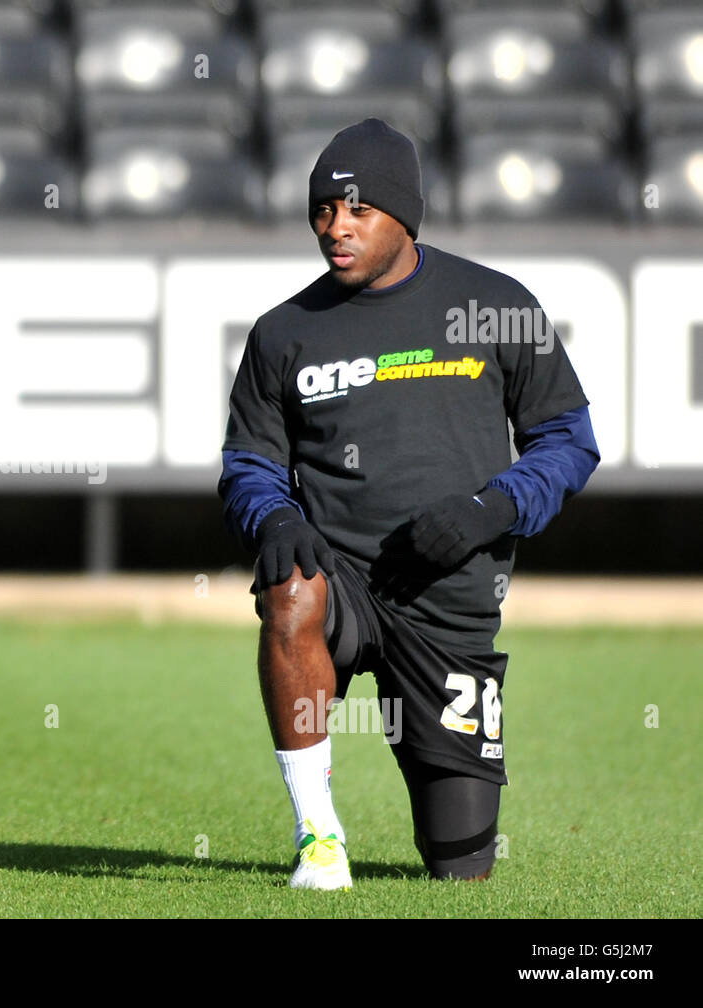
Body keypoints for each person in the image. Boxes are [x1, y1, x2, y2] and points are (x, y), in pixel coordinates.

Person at [219, 119, 599, 889]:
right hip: (343, 583)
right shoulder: (282, 333)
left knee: (460, 865)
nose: (336, 228)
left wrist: (491, 508)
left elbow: (569, 441)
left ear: (403, 215)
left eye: (357, 210)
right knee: (289, 593)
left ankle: (449, 813)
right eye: (322, 212)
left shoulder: (495, 304)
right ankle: (318, 839)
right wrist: (278, 517)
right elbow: (248, 464)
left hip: (449, 605)